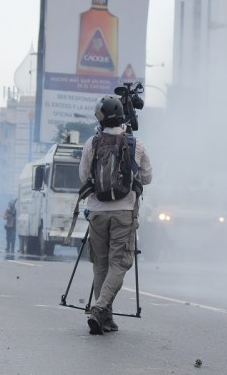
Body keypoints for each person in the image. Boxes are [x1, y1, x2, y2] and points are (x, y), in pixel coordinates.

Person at [78, 95, 152, 335]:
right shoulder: (135, 144)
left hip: (97, 211)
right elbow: (148, 177)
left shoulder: (92, 142)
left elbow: (83, 177)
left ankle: (104, 317)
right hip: (124, 211)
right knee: (119, 262)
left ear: (100, 118)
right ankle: (100, 309)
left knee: (100, 264)